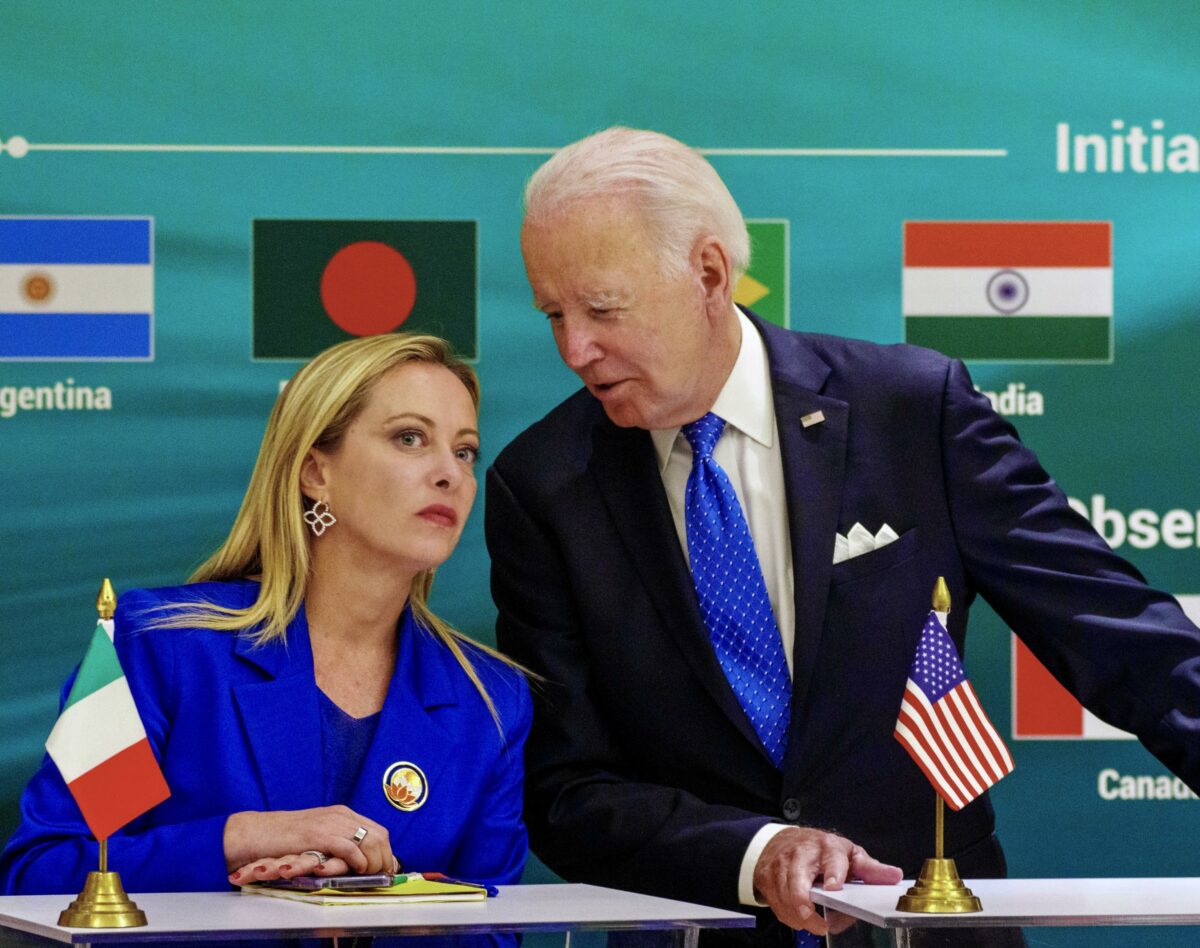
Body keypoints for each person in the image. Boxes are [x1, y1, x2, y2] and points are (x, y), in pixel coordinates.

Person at [484, 127, 1200, 948]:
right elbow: (568, 789)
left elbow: (1123, 639)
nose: (575, 349)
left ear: (709, 274)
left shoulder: (911, 411)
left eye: (603, 310)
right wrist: (755, 854)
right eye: (554, 315)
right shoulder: (543, 485)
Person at [1, 334, 530, 927]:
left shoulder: (490, 699)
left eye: (465, 451)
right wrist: (242, 837)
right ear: (315, 472)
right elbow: (39, 874)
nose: (450, 474)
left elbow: (492, 929)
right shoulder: (163, 645)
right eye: (410, 438)